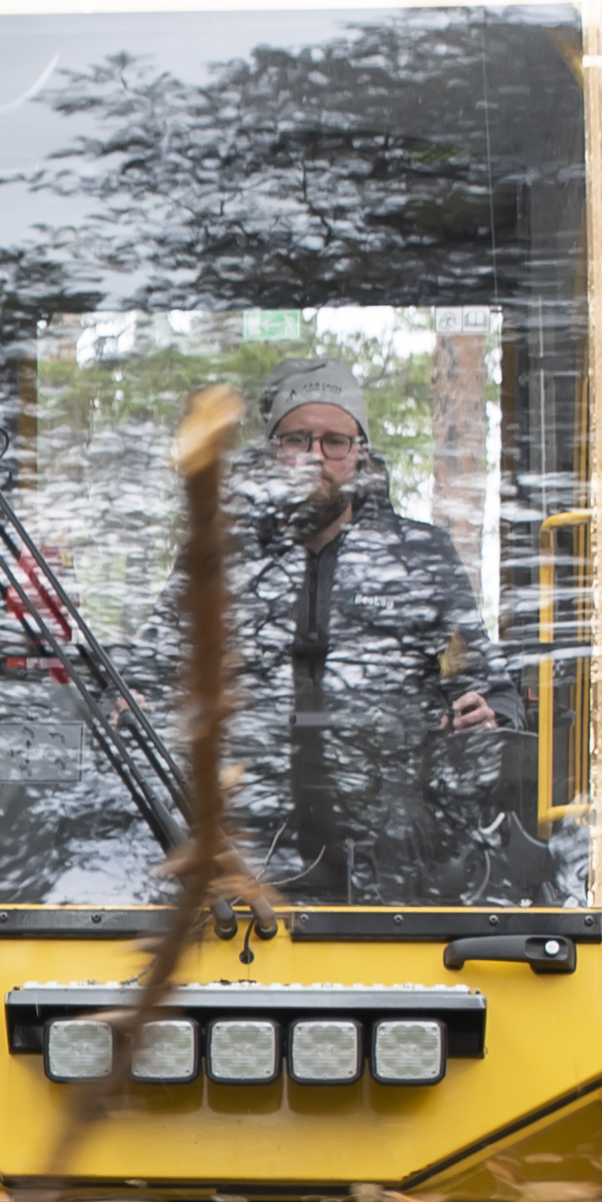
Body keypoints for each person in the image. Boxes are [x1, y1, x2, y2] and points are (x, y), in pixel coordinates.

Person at [223, 354, 521, 905]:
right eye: (296, 440)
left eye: (334, 441)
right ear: (272, 453)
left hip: (390, 884)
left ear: (359, 454)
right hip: (239, 879)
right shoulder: (219, 561)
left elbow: (488, 687)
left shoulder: (418, 558)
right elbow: (154, 670)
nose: (315, 457)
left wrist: (490, 712)